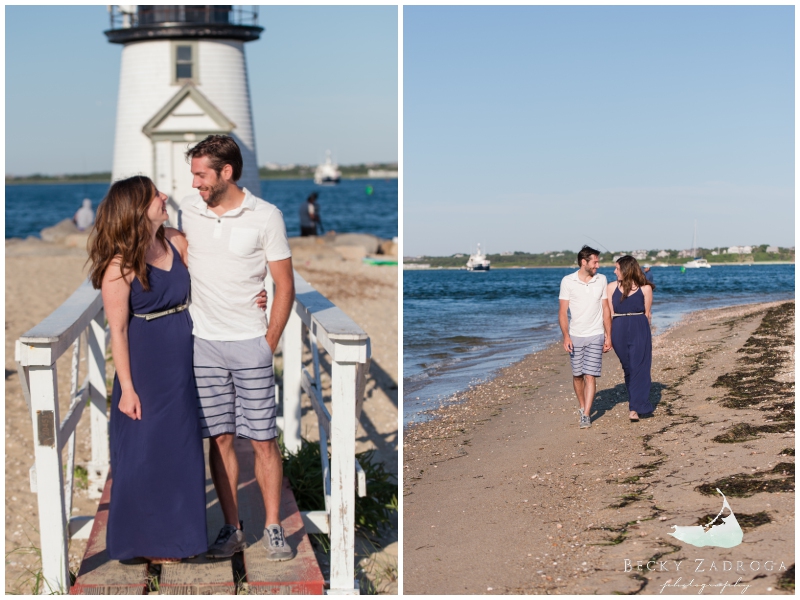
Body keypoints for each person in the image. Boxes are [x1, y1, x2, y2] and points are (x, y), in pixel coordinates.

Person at [179, 135, 297, 561]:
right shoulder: (187, 213)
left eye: (201, 175)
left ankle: (273, 527)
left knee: (264, 439)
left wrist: (268, 343)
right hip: (203, 344)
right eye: (193, 175)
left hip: (251, 343)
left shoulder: (266, 216)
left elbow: (285, 285)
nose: (194, 184)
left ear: (226, 172)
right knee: (221, 439)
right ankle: (232, 529)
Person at [88, 176, 207, 563]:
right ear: (137, 208)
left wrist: (253, 295)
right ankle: (140, 543)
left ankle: (180, 541)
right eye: (156, 194)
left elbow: (213, 281)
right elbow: (118, 331)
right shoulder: (119, 266)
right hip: (145, 361)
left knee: (181, 448)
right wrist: (127, 388)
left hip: (184, 354)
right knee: (144, 452)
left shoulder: (175, 240)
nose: (165, 196)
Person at [558, 246, 612, 429]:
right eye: (595, 262)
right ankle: (582, 406)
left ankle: (586, 414)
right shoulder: (568, 281)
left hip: (595, 334)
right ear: (584, 262)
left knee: (590, 375)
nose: (598, 265)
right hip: (575, 335)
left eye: (598, 261)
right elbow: (563, 312)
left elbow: (606, 308)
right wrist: (566, 336)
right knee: (577, 375)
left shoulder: (601, 280)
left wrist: (608, 335)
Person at [606, 255, 655, 422]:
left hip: (639, 326)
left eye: (617, 268)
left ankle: (635, 407)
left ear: (626, 270)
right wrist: (608, 336)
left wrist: (646, 335)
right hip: (619, 327)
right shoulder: (611, 287)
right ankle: (636, 399)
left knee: (639, 366)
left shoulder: (645, 288)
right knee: (628, 368)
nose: (614, 271)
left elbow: (647, 313)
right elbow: (610, 314)